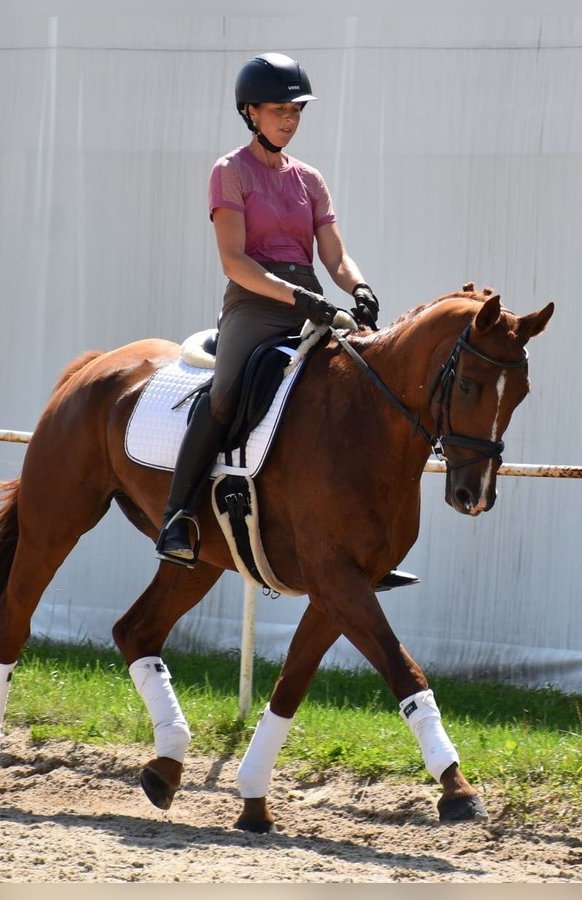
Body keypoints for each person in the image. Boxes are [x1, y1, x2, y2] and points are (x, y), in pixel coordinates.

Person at [155, 52, 381, 567]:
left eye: (296, 110)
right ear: (250, 111)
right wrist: (300, 298)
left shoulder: (310, 179)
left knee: (365, 383)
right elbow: (234, 261)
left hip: (312, 299)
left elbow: (334, 254)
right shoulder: (229, 171)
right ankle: (178, 516)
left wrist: (360, 287)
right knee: (225, 395)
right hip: (256, 302)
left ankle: (367, 532)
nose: (289, 119)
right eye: (279, 109)